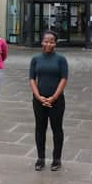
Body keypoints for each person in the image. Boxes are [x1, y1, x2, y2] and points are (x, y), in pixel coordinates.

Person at [29, 30, 68, 172]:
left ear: (55, 43)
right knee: (40, 129)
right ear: (41, 42)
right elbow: (32, 79)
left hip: (56, 101)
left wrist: (53, 97)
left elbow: (64, 79)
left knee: (57, 129)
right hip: (39, 100)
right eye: (46, 41)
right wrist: (38, 97)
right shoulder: (36, 59)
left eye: (51, 41)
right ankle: (40, 158)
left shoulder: (61, 59)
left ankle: (57, 159)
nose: (48, 44)